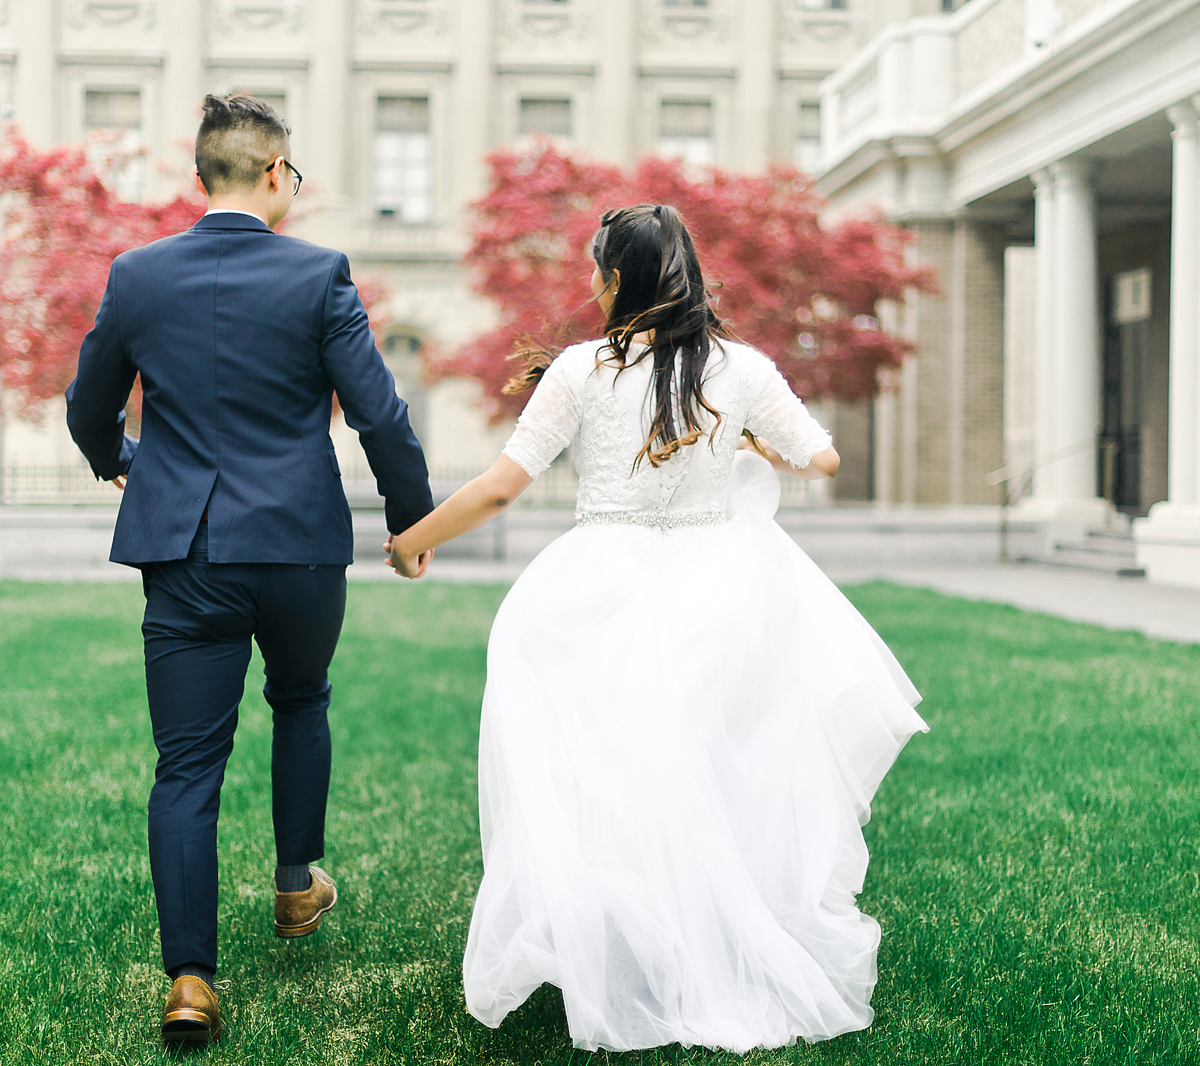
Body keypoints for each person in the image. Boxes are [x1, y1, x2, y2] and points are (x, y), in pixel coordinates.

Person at [385, 204, 929, 1052]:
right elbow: (821, 456)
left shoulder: (580, 371)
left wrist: (416, 540)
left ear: (611, 279)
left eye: (592, 268)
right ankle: (704, 943)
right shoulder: (740, 367)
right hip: (723, 588)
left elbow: (499, 486)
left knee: (603, 767)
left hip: (599, 578)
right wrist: (743, 445)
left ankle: (624, 951)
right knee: (705, 770)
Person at [65, 93, 434, 1047]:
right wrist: (409, 522)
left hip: (185, 552)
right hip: (302, 543)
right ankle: (294, 885)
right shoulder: (321, 277)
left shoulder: (138, 275)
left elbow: (87, 404)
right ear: (278, 175)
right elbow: (382, 416)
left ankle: (191, 980)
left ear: (200, 180)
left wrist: (125, 463)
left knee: (186, 764)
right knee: (302, 699)